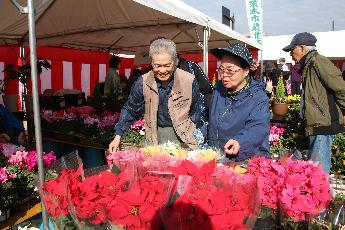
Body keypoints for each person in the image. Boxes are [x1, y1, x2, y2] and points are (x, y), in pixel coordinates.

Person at [108, 38, 201, 152]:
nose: (162, 70)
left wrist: (191, 128)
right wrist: (118, 136)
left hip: (183, 138)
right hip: (154, 137)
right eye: (157, 65)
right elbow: (130, 110)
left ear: (175, 61)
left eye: (167, 65)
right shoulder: (142, 82)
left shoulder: (189, 80)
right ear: (151, 62)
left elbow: (196, 111)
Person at [283, 32, 345, 173]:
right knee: (314, 172)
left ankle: (323, 195)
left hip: (323, 125)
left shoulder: (318, 61)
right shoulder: (309, 64)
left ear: (303, 48)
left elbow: (341, 88)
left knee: (319, 175)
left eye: (292, 50)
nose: (290, 54)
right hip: (317, 125)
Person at [207, 43, 270, 161]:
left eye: (230, 71)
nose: (224, 75)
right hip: (219, 157)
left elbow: (259, 127)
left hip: (244, 159)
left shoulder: (258, 97)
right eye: (221, 69)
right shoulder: (219, 89)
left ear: (246, 71)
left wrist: (239, 141)